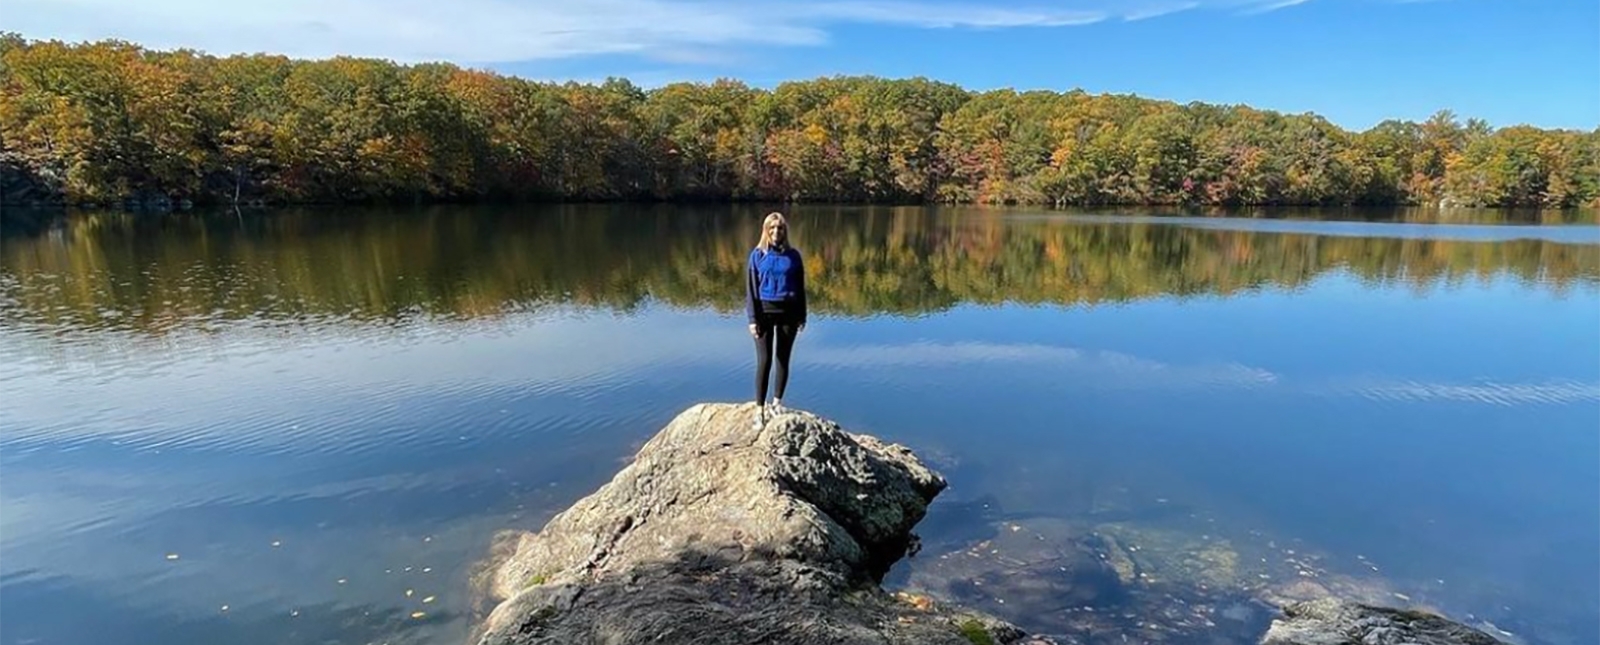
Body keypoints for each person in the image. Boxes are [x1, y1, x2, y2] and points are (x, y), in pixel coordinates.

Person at [746, 211, 807, 429]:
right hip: (764, 313)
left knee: (783, 359)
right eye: (771, 228)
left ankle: (777, 403)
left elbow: (800, 289)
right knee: (764, 361)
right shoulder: (757, 255)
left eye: (779, 228)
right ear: (766, 231)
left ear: (784, 231)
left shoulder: (794, 256)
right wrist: (753, 319)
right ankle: (759, 410)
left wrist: (802, 315)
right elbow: (751, 290)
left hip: (789, 314)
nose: (775, 232)